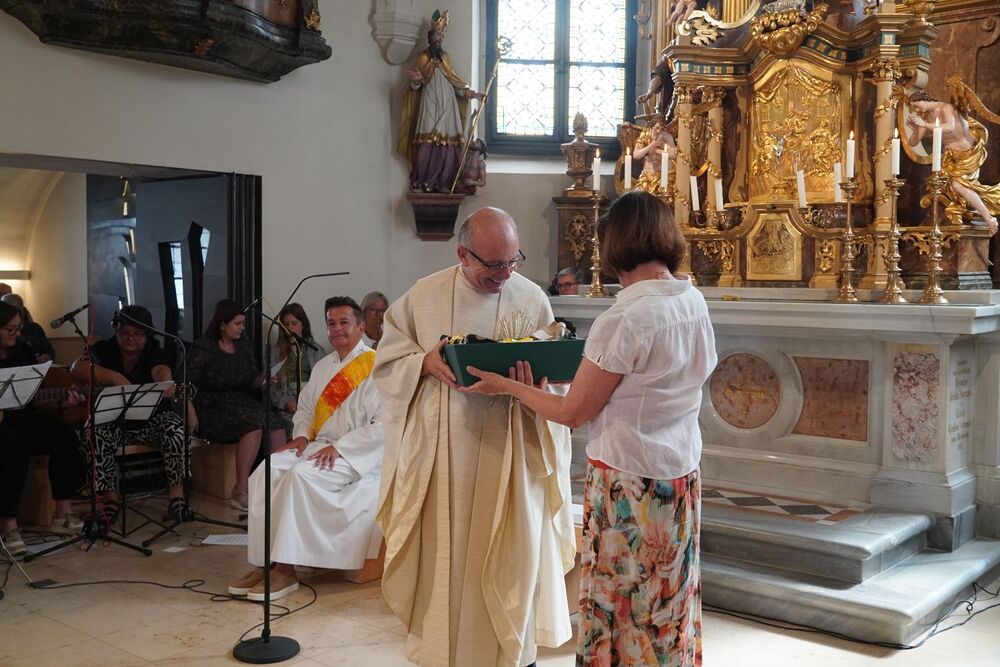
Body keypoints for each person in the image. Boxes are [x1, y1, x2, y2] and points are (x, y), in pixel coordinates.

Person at [462, 192, 718, 666]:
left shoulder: (624, 318)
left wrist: (505, 385)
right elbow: (642, 382)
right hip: (679, 475)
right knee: (667, 598)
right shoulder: (692, 299)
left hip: (629, 483)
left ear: (615, 243)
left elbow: (572, 412)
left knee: (625, 606)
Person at [375, 207, 576, 667]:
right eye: (494, 264)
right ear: (462, 254)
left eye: (513, 261)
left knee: (513, 565)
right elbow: (387, 363)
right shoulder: (423, 296)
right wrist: (424, 362)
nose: (505, 274)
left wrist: (534, 382)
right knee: (449, 568)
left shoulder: (531, 298)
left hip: (513, 457)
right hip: (445, 460)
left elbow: (555, 376)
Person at [228, 297, 383, 601]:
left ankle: (286, 570)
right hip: (319, 445)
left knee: (299, 476)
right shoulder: (324, 366)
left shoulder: (376, 366)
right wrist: (300, 436)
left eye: (344, 322)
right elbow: (306, 410)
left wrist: (342, 448)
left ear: (361, 327)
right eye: (331, 323)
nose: (337, 329)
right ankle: (264, 563)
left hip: (355, 454)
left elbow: (384, 425)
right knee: (266, 471)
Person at [69, 305, 190, 523]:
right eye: (125, 333)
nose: (130, 338)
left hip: (151, 423)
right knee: (93, 433)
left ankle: (177, 498)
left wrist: (165, 381)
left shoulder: (155, 351)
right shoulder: (105, 349)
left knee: (174, 428)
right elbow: (77, 368)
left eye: (137, 334)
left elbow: (161, 370)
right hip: (113, 422)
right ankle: (110, 499)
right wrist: (114, 377)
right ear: (116, 331)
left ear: (147, 335)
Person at [0, 302, 86, 555]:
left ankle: (63, 513)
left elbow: (34, 398)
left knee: (64, 435)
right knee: (12, 446)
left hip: (19, 417)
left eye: (19, 327)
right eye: (10, 329)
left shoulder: (22, 351)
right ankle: (9, 525)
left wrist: (61, 403)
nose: (17, 333)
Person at [189, 299, 286, 511]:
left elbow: (251, 378)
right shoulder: (204, 347)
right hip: (210, 405)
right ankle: (240, 490)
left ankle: (276, 484)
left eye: (243, 323)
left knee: (277, 423)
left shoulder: (243, 345)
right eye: (237, 323)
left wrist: (263, 379)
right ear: (222, 324)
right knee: (253, 423)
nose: (242, 328)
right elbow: (186, 382)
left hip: (238, 402)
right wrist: (190, 409)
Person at [397, 9, 485, 193]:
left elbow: (454, 81)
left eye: (443, 35)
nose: (441, 38)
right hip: (430, 102)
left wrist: (472, 94)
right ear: (431, 36)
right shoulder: (423, 57)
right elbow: (416, 86)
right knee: (427, 140)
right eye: (438, 34)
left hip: (448, 104)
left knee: (449, 143)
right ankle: (423, 181)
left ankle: (444, 183)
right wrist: (416, 80)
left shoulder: (445, 58)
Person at [907, 89, 1000, 235]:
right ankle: (977, 210)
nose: (916, 110)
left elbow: (949, 127)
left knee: (957, 185)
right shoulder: (926, 117)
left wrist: (924, 124)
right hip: (951, 157)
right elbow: (913, 142)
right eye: (914, 108)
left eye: (917, 106)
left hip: (966, 154)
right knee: (956, 187)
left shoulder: (946, 107)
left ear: (923, 99)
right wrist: (915, 128)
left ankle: (989, 217)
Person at [271, 303, 323, 437]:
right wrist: (286, 402)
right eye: (286, 324)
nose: (290, 328)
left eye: (294, 323)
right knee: (295, 425)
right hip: (288, 404)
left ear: (303, 325)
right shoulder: (275, 353)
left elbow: (325, 382)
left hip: (312, 402)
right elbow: (270, 387)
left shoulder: (316, 351)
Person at [1, 293, 55, 362]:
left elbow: (49, 350)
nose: (18, 333)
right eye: (11, 328)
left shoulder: (34, 329)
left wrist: (45, 357)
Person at [632, 116, 677, 194]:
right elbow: (636, 155)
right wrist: (652, 145)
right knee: (637, 193)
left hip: (664, 177)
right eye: (657, 128)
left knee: (666, 194)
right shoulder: (645, 136)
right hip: (647, 176)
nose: (659, 131)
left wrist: (657, 150)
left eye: (661, 129)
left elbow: (674, 155)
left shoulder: (667, 137)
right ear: (652, 126)